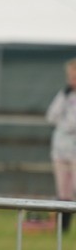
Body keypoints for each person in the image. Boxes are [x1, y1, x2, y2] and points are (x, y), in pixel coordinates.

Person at [46, 58, 76, 233]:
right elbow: (51, 116)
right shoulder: (64, 95)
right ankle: (63, 229)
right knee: (63, 190)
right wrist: (64, 98)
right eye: (71, 77)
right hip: (61, 148)